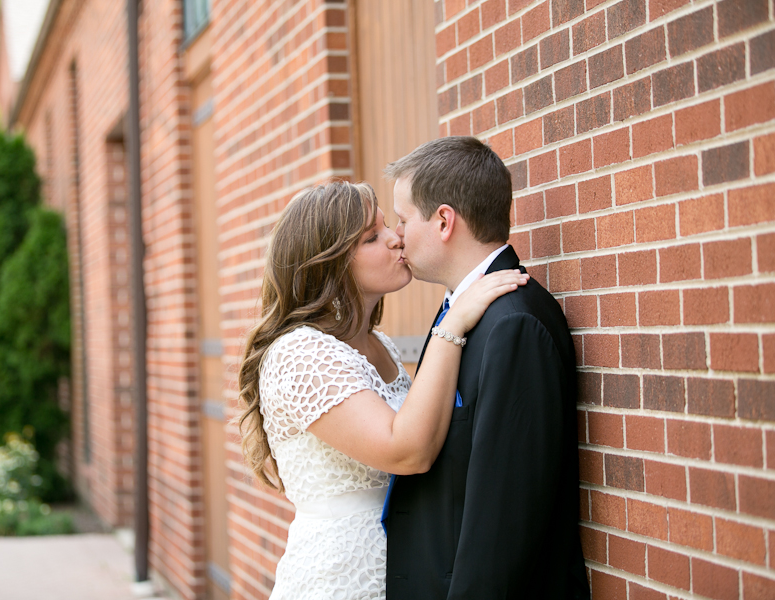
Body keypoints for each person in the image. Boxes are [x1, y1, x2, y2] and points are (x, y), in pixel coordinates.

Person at [237, 181, 529, 599]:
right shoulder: (299, 354)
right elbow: (405, 450)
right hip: (341, 578)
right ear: (330, 264)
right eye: (372, 237)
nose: (396, 239)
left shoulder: (380, 344)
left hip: (405, 568)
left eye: (388, 226)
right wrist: (453, 324)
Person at [381, 136, 590, 599]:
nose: (396, 235)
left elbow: (504, 521)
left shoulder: (514, 325)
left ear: (443, 221)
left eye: (401, 219)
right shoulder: (464, 310)